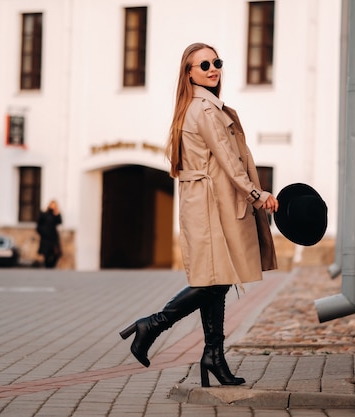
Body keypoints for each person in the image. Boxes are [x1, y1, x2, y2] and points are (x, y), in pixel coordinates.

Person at [119, 43, 279, 387]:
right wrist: (256, 194)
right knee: (214, 281)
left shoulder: (198, 107)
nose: (212, 68)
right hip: (211, 204)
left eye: (216, 62)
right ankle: (154, 324)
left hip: (207, 201)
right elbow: (228, 160)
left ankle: (213, 355)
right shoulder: (205, 110)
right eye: (203, 64)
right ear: (188, 72)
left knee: (216, 281)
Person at [36, 200, 63, 268]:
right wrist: (42, 232)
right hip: (46, 237)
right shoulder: (44, 214)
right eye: (52, 205)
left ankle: (52, 266)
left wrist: (58, 213)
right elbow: (39, 224)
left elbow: (59, 222)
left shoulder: (55, 214)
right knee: (46, 253)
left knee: (56, 253)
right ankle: (47, 266)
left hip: (53, 237)